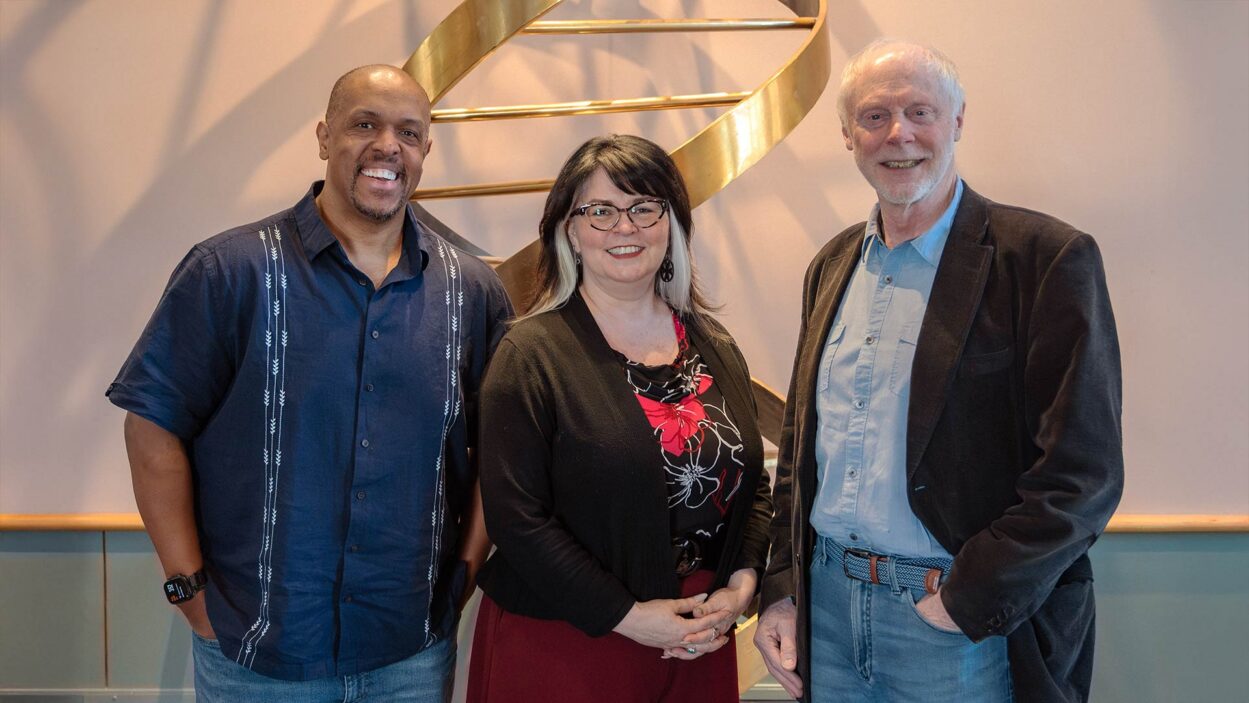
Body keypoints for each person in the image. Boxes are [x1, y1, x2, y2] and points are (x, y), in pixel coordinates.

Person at [106, 64, 511, 701]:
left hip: (409, 653)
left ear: (426, 150)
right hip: (258, 655)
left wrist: (462, 576)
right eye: (365, 124)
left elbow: (501, 451)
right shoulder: (230, 272)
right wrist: (189, 591)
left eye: (408, 133)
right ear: (325, 137)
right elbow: (152, 427)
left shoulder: (473, 292)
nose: (388, 147)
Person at [754, 40, 1123, 702]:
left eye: (919, 111)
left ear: (956, 121)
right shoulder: (831, 266)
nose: (898, 134)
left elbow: (1083, 473)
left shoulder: (1043, 260)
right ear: (847, 135)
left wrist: (966, 598)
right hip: (826, 613)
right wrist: (783, 588)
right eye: (874, 116)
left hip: (955, 624)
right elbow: (802, 448)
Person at [465, 134, 772, 702]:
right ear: (570, 231)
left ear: (671, 224)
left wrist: (742, 586)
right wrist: (627, 616)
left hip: (699, 639)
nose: (624, 227)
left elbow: (751, 487)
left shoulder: (714, 343)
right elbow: (516, 520)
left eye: (644, 207)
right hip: (571, 644)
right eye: (600, 211)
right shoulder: (529, 355)